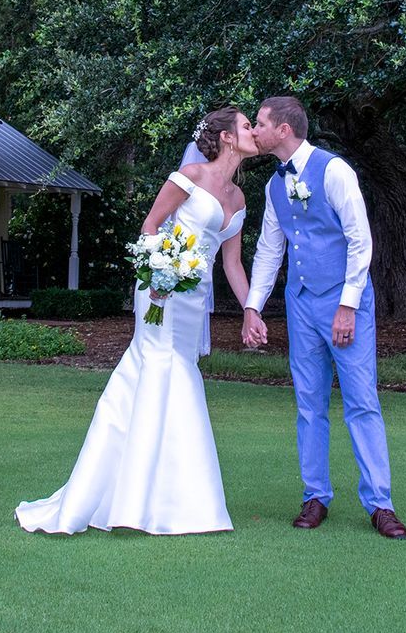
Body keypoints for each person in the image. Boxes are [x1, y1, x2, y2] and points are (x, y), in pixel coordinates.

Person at [14, 107, 257, 534]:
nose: (254, 130)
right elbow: (151, 225)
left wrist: (250, 310)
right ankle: (135, 500)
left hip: (194, 298)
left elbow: (233, 265)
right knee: (158, 367)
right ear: (227, 138)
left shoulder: (238, 200)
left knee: (180, 371)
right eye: (247, 125)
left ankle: (174, 498)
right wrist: (156, 272)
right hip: (161, 291)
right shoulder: (190, 177)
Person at [242, 96, 406, 539]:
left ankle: (381, 504)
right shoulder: (274, 184)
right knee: (309, 404)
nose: (253, 131)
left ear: (283, 130)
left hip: (344, 302)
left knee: (361, 401)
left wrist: (348, 305)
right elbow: (270, 248)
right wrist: (253, 306)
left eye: (259, 124)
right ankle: (315, 496)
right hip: (300, 303)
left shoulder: (334, 171)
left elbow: (361, 239)